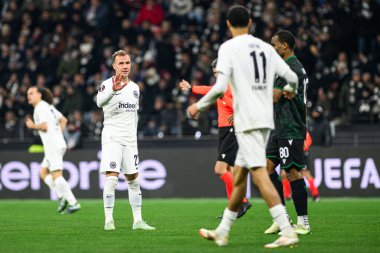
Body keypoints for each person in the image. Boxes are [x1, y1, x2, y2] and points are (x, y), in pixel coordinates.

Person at [188, 6, 299, 248]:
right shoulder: (265, 48)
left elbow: (219, 88)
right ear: (250, 22)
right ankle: (223, 231)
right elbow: (292, 77)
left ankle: (287, 230)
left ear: (228, 24)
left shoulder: (228, 48)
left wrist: (198, 106)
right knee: (238, 177)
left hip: (247, 121)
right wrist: (290, 91)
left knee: (259, 176)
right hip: (264, 119)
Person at [178, 58, 251, 219]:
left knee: (219, 169)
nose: (216, 74)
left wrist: (223, 98)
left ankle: (243, 200)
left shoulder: (231, 85)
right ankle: (234, 207)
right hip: (225, 130)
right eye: (214, 72)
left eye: (218, 71)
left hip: (231, 129)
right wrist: (192, 88)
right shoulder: (221, 86)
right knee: (229, 170)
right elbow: (209, 90)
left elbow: (238, 104)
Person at [96, 50, 155, 231]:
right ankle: (108, 221)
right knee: (112, 179)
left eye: (127, 63)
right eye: (121, 63)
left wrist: (134, 137)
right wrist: (113, 91)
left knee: (134, 180)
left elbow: (133, 115)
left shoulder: (135, 88)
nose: (125, 66)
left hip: (130, 140)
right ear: (114, 66)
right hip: (112, 137)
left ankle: (137, 221)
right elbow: (99, 102)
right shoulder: (107, 85)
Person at [264, 30, 311, 235]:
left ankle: (303, 222)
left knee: (292, 173)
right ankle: (282, 218)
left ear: (284, 46)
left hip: (291, 126)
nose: (271, 49)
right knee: (266, 168)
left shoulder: (292, 67)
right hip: (279, 126)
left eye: (273, 45)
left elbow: (274, 96)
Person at [26, 86, 81, 214]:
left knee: (57, 176)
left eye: (32, 93)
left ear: (39, 94)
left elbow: (44, 127)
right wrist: (58, 135)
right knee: (43, 172)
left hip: (52, 146)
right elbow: (63, 120)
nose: (29, 95)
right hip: (56, 144)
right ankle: (62, 197)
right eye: (28, 93)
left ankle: (73, 203)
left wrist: (33, 126)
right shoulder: (48, 106)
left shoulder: (40, 108)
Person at [282, 131, 320, 202]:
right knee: (284, 174)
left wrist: (302, 148)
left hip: (301, 154)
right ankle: (287, 195)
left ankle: (316, 195)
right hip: (290, 153)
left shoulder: (301, 127)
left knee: (306, 173)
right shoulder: (287, 128)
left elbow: (308, 140)